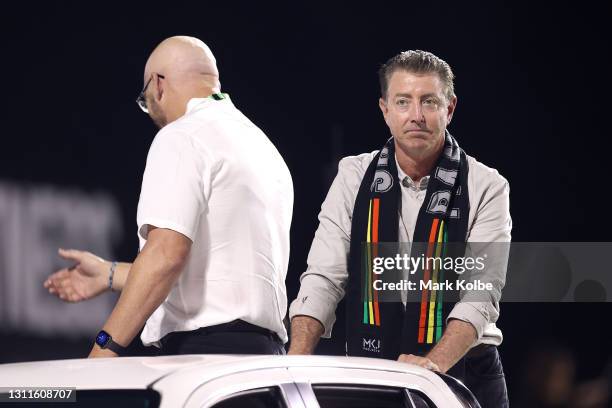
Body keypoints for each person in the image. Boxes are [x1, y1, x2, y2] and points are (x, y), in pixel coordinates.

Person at [44, 36, 293, 357]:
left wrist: (103, 351)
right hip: (265, 363)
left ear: (158, 84)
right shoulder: (262, 147)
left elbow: (166, 255)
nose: (151, 112)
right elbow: (215, 270)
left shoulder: (182, 134)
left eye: (146, 101)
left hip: (206, 356)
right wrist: (109, 274)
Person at [287, 50, 511, 407]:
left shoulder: (487, 185)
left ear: (449, 109)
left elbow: (480, 296)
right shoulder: (353, 176)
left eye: (429, 102)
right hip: (374, 367)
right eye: (403, 102)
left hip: (464, 371)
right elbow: (323, 278)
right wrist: (293, 365)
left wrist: (430, 367)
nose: (416, 116)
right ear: (385, 109)